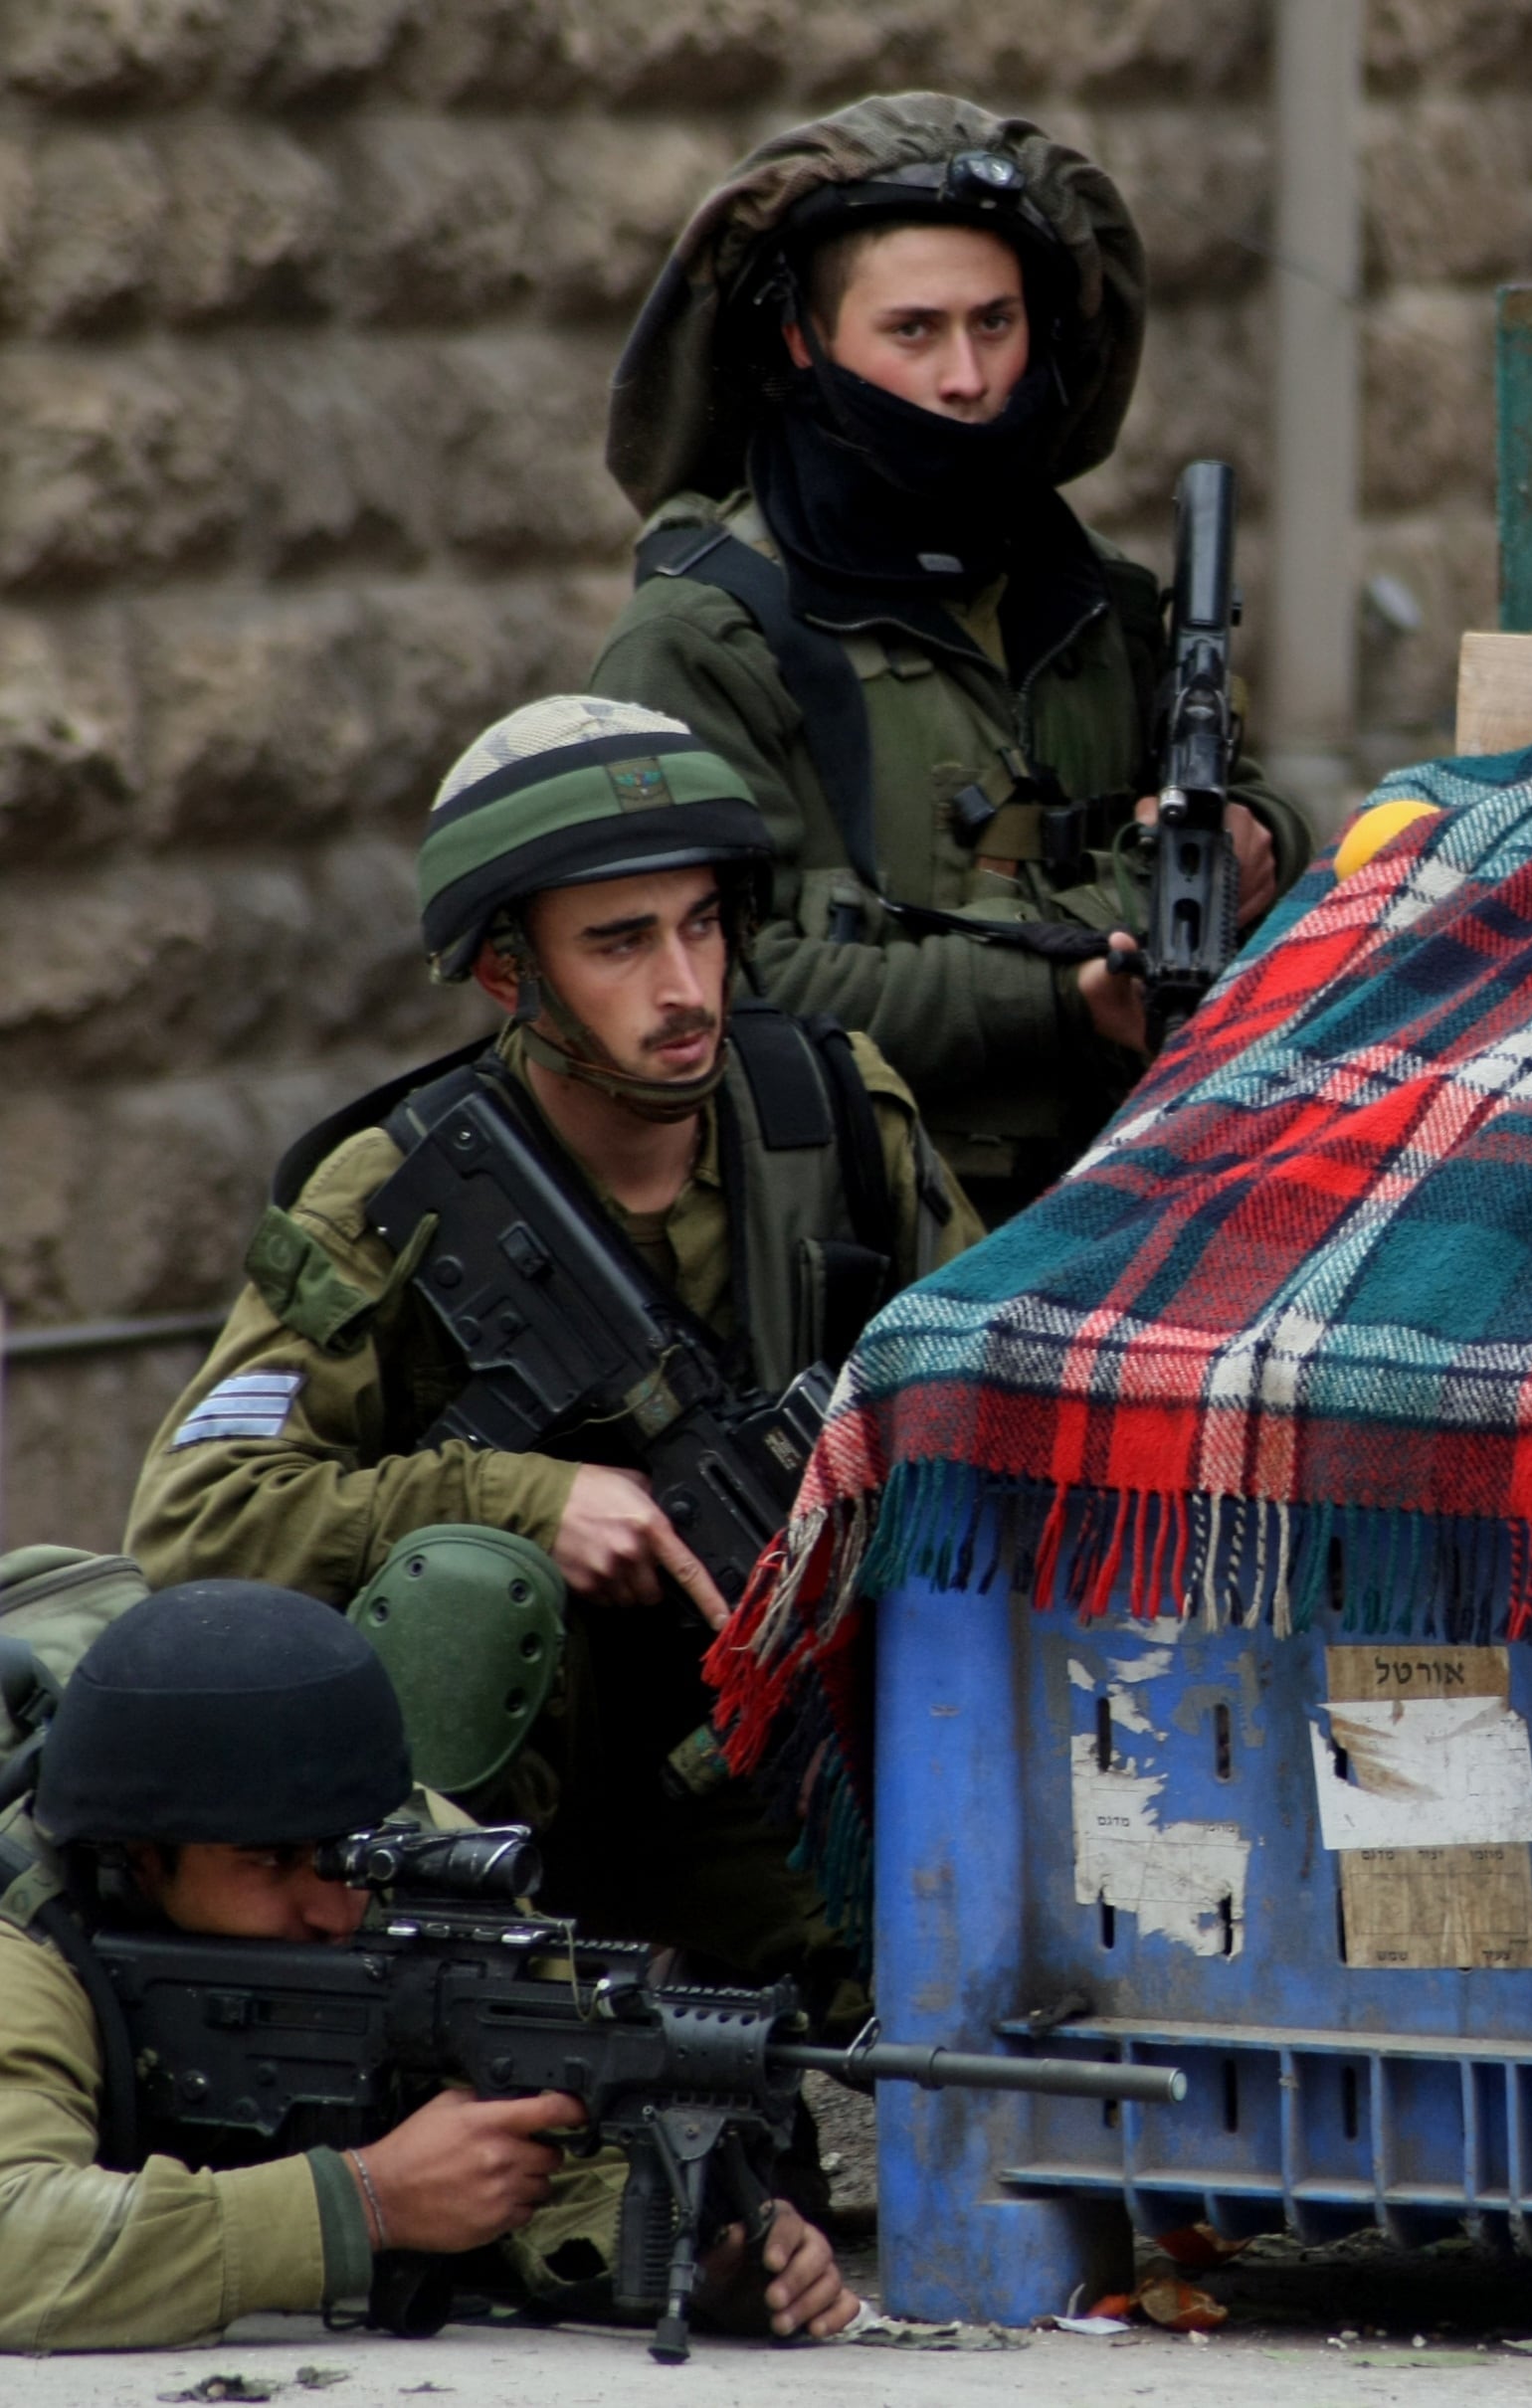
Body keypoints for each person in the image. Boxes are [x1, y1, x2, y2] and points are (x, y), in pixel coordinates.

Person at [127, 695, 981, 1995]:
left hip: (782, 1764)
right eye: (621, 943)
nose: (685, 985)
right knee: (470, 1593)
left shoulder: (838, 1120)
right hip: (488, 1807)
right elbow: (196, 1517)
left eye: (703, 924)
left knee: (974, 1988)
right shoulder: (391, 1197)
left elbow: (991, 1411)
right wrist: (526, 1502)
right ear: (509, 973)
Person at [590, 93, 1317, 1220]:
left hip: (1117, 1205)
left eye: (995, 323)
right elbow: (721, 985)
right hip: (845, 1234)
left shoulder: (1093, 603)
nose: (967, 380)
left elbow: (1237, 810)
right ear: (803, 339)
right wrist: (1069, 989)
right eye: (913, 331)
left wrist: (1260, 839)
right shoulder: (706, 638)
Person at [0, 1578, 855, 2351]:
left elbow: (557, 2144)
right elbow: (17, 2242)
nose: (337, 1909)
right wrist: (364, 2201)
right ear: (142, 1858)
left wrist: (704, 2257)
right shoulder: (28, 1939)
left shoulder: (430, 1866)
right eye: (270, 1861)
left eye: (348, 1853)